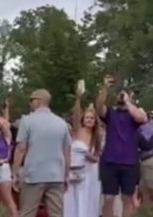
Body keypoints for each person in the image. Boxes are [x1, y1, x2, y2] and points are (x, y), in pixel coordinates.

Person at [94, 75, 147, 217]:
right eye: (119, 94)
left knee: (127, 198)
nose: (121, 96)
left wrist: (128, 101)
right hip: (110, 161)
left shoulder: (136, 112)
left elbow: (140, 118)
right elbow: (98, 108)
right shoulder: (111, 113)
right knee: (108, 198)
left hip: (129, 162)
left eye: (124, 94)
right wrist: (105, 88)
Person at [13, 89, 71, 217]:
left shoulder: (27, 121)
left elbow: (20, 149)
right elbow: (67, 151)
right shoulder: (62, 123)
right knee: (56, 214)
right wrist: (66, 174)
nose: (29, 103)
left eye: (31, 100)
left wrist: (15, 173)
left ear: (38, 101)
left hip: (33, 175)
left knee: (27, 213)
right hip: (56, 176)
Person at [64, 83, 102, 217]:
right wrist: (78, 99)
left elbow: (97, 157)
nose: (89, 120)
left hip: (89, 171)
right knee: (71, 199)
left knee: (86, 199)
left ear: (95, 121)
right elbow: (75, 115)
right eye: (87, 118)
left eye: (92, 118)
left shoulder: (97, 136)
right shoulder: (76, 132)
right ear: (83, 119)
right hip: (74, 169)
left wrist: (90, 156)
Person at [137, 110, 153, 205]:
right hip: (142, 162)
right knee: (144, 191)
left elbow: (149, 145)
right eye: (149, 116)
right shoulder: (139, 128)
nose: (151, 119)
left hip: (151, 160)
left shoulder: (150, 128)